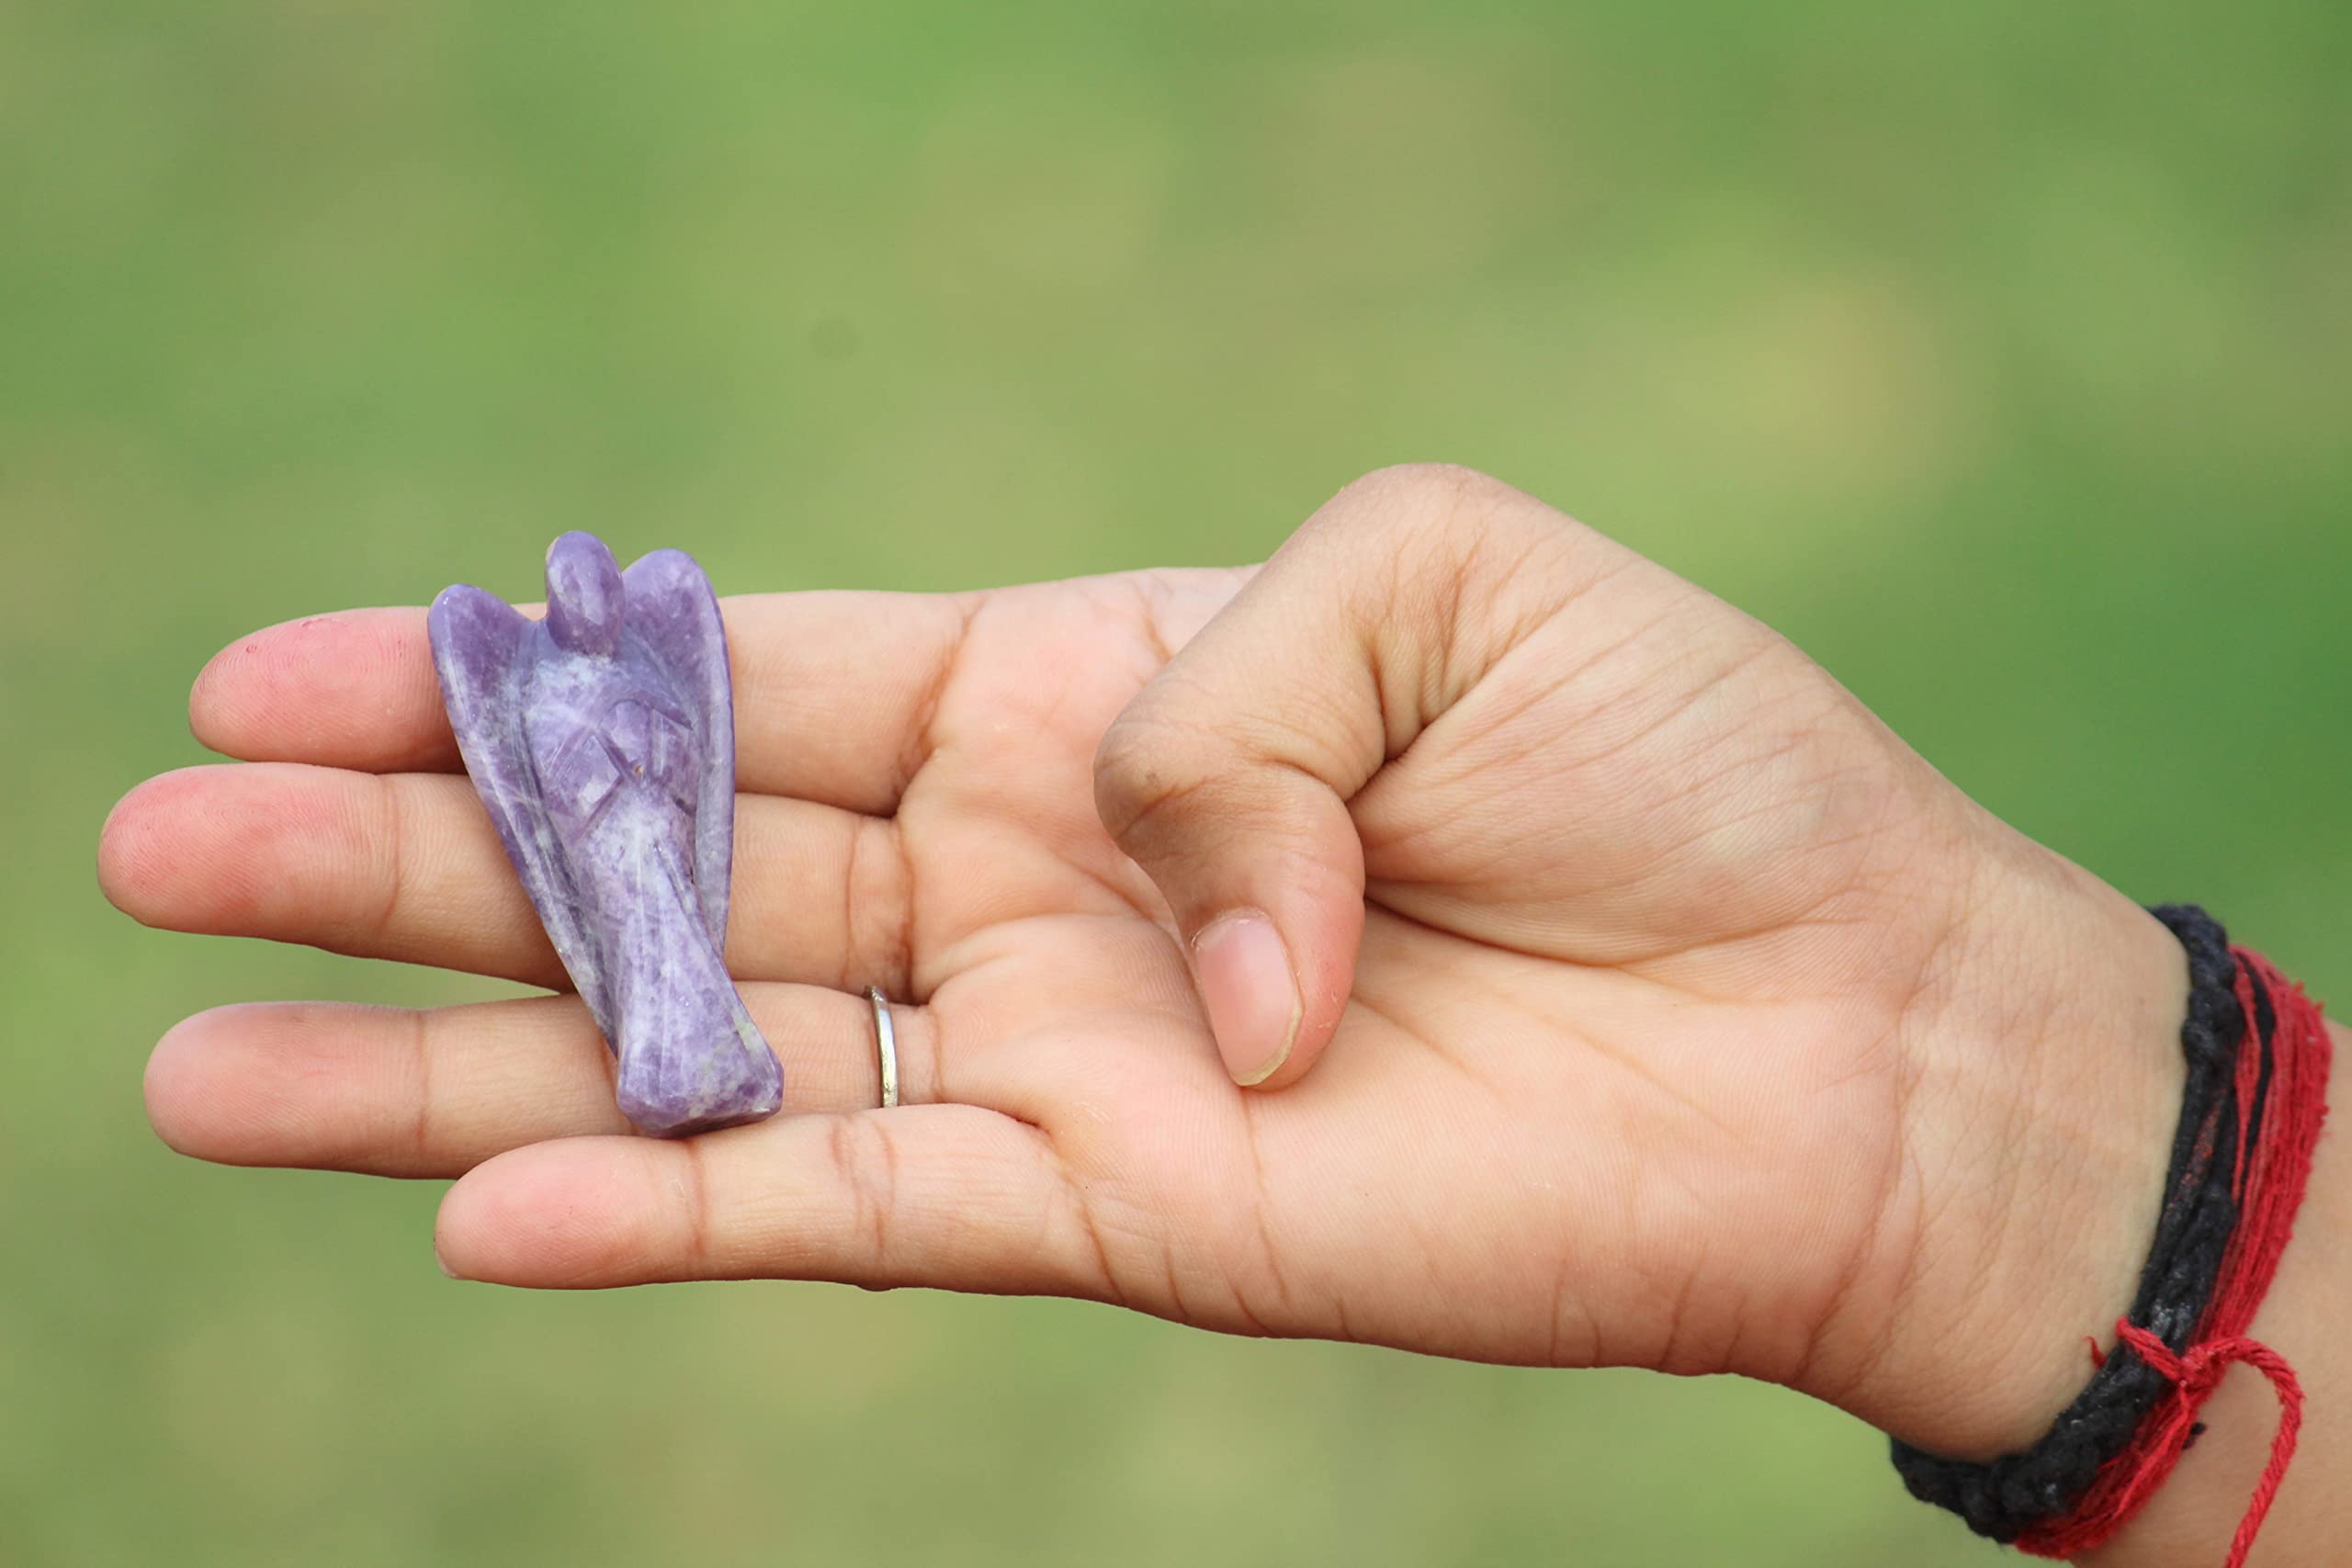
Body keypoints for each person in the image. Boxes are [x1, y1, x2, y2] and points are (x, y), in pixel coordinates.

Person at [97, 465, 2346, 1562]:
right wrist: (1994, 1148)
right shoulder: (531, 697)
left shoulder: (647, 662)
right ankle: (677, 1025)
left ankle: (681, 1028)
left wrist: (1955, 1108)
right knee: (646, 943)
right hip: (639, 906)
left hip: (672, 915)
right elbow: (596, 806)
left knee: (663, 958)